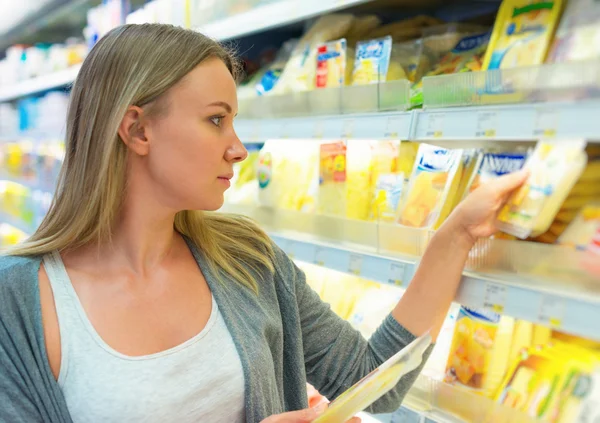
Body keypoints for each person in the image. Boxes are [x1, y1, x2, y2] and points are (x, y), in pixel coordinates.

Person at [0, 24, 527, 423]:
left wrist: (454, 238)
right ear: (137, 129)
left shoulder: (247, 260)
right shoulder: (17, 300)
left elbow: (373, 382)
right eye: (215, 120)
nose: (237, 148)